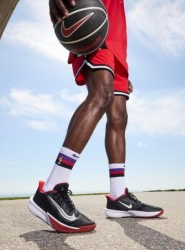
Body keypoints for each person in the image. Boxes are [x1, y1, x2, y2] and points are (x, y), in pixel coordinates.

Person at [28, 0, 164, 233]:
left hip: (117, 38)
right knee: (101, 94)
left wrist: (120, 64)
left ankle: (118, 196)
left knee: (119, 114)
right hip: (91, 15)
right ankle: (51, 188)